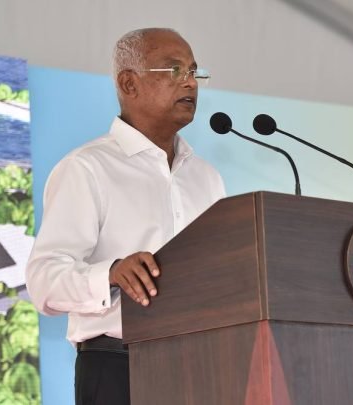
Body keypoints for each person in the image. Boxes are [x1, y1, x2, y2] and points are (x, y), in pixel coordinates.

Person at [26, 28, 225, 405]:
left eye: (195, 72)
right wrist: (111, 274)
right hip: (118, 368)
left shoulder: (207, 177)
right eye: (174, 70)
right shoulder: (87, 168)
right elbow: (43, 280)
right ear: (129, 83)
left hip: (205, 364)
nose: (190, 83)